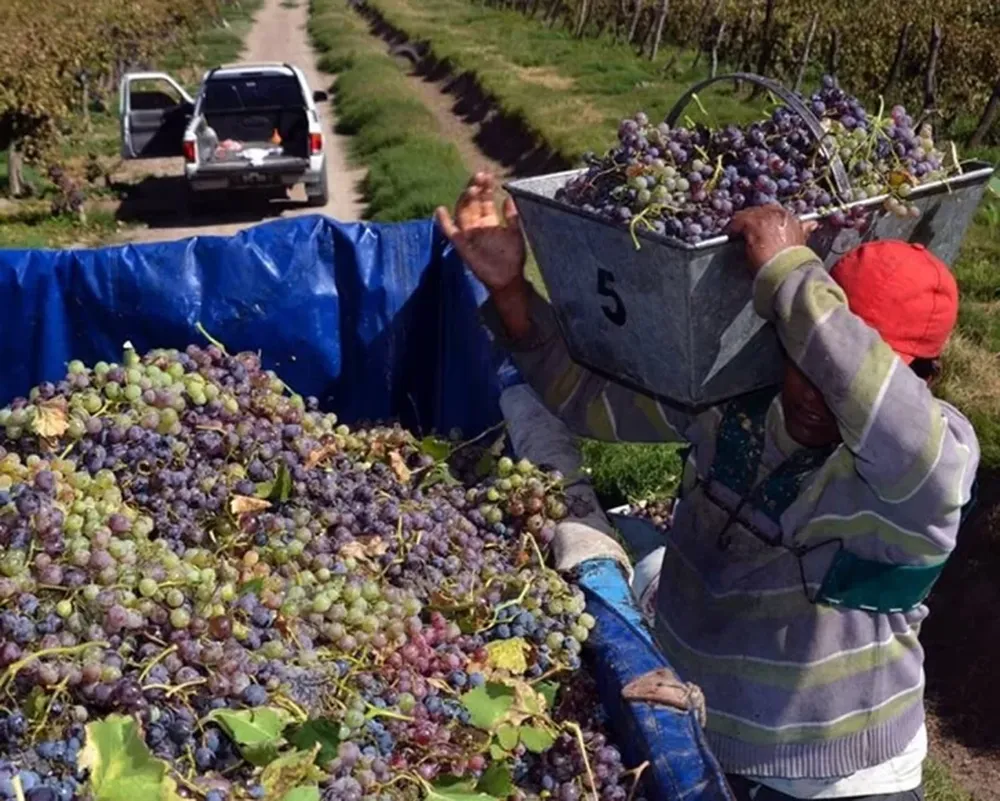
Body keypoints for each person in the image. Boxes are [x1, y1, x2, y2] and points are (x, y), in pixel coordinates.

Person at [435, 173, 980, 801]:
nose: (815, 390)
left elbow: (892, 413)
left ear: (926, 381)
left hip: (842, 780)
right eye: (803, 360)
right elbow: (587, 399)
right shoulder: (735, 405)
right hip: (700, 742)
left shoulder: (933, 471)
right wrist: (511, 294)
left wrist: (790, 275)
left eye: (834, 369)